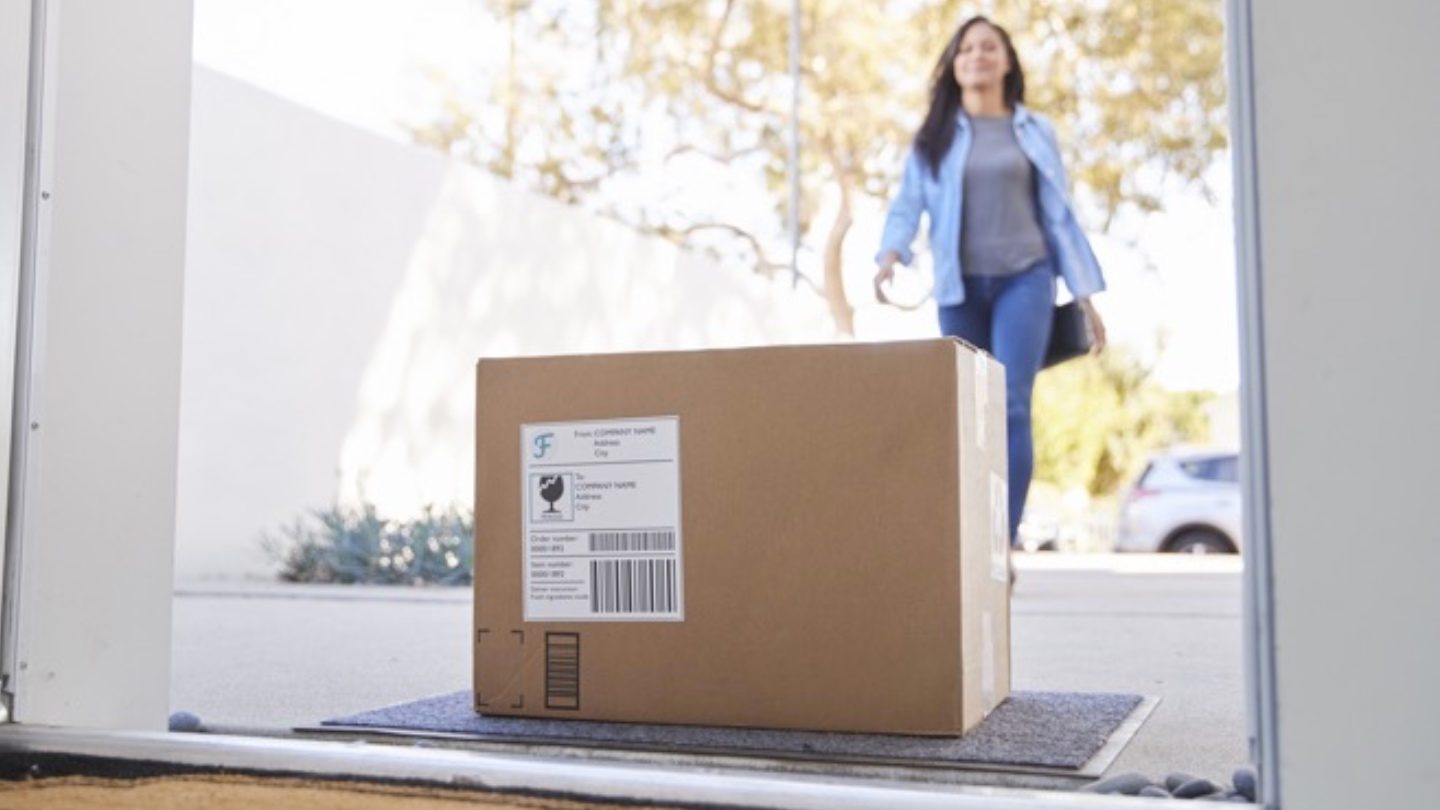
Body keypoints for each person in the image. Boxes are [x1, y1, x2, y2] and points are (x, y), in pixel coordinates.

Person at [874, 16, 1107, 550]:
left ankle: (1001, 545)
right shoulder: (933, 137)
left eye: (988, 48)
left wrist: (1085, 296)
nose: (976, 56)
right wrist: (890, 255)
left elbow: (1060, 216)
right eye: (966, 50)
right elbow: (908, 205)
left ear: (1006, 62)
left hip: (1024, 281)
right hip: (959, 289)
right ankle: (968, 542)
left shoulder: (1034, 131)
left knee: (1012, 404)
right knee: (966, 412)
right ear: (954, 67)